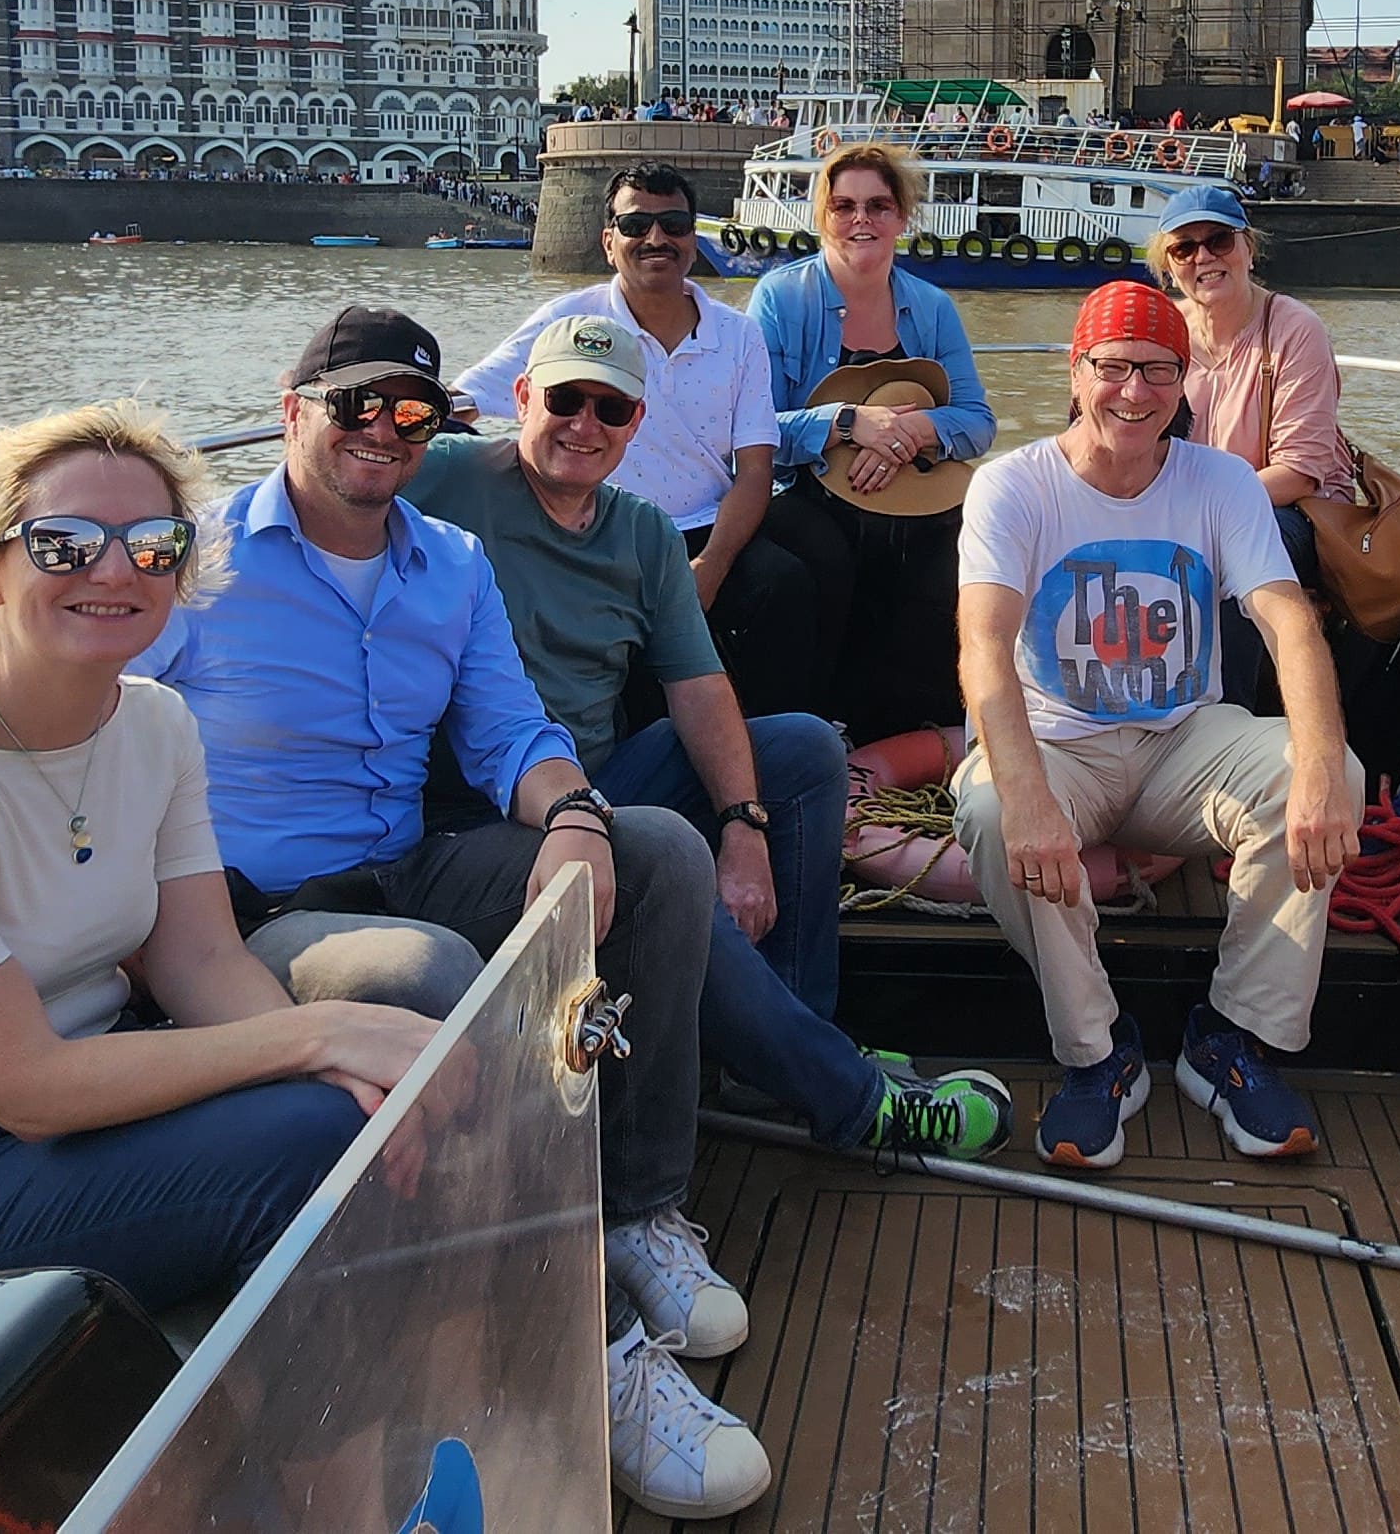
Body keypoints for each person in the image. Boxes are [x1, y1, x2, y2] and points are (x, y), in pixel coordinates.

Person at [141, 306, 766, 1519]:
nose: (383, 429)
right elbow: (97, 725)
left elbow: (510, 733)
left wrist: (576, 816)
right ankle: (582, 1345)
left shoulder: (450, 564)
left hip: (408, 855)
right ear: (292, 409)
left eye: (411, 410)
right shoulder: (197, 562)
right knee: (421, 969)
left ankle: (635, 1207)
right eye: (353, 404)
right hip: (264, 903)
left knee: (664, 852)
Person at [0, 402, 446, 1318]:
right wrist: (319, 1041)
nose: (116, 569)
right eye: (65, 543)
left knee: (364, 1099)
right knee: (325, 1126)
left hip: (89, 1110)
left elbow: (197, 957)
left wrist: (339, 1071)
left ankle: (527, 1348)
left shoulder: (157, 724)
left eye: (155, 544)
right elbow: (26, 1090)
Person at [406, 312, 1009, 1161]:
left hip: (601, 772)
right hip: (487, 804)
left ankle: (789, 1043)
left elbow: (698, 686)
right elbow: (333, 471)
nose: (584, 425)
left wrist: (744, 824)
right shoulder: (446, 481)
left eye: (610, 410)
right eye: (564, 400)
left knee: (803, 748)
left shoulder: (642, 532)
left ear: (636, 425)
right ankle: (847, 1098)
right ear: (519, 398)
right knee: (662, 858)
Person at [953, 280, 1365, 1170]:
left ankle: (1233, 1037)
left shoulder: (1218, 481)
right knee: (990, 813)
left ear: (1185, 383)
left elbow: (1288, 619)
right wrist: (1024, 794)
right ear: (1076, 370)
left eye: (1158, 372)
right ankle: (1098, 1053)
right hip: (1062, 747)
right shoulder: (1011, 487)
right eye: (1113, 368)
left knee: (1325, 772)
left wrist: (1325, 765)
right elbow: (983, 647)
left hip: (1184, 742)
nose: (1134, 394)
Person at [457, 163, 818, 716]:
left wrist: (712, 566)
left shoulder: (738, 334)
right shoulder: (568, 322)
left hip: (704, 529)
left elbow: (754, 468)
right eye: (635, 225)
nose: (656, 238)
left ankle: (772, 748)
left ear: (693, 240)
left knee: (787, 585)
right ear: (609, 242)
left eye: (673, 224)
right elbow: (465, 400)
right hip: (601, 531)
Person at [1150, 180, 1400, 765]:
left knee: (1227, 566)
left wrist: (1196, 513)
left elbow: (1298, 471)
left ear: (1248, 247)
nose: (1203, 258)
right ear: (1168, 263)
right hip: (1188, 507)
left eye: (1218, 240)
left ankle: (1231, 745)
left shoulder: (1294, 329)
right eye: (1184, 248)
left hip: (1289, 513)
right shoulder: (1163, 335)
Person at [744, 141, 995, 740]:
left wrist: (910, 433)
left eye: (879, 205)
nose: (862, 220)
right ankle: (815, 727)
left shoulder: (931, 307)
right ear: (821, 216)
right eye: (844, 206)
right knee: (822, 561)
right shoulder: (780, 299)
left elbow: (978, 420)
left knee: (962, 559)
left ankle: (922, 728)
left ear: (902, 217)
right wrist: (853, 423)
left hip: (916, 490)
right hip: (806, 489)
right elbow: (753, 427)